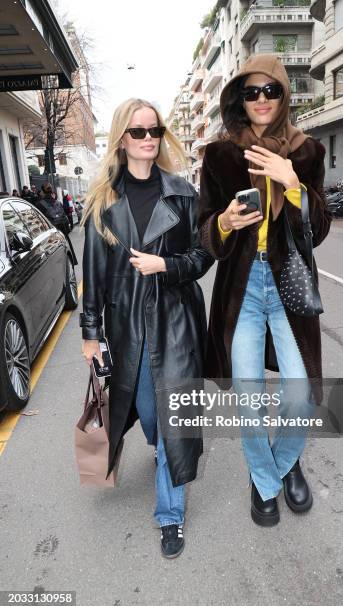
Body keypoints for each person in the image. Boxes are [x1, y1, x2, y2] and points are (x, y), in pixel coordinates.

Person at [197, 53, 332, 527]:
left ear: (283, 95)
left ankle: (285, 460)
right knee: (248, 395)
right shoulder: (217, 156)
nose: (260, 100)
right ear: (238, 97)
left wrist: (292, 184)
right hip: (242, 290)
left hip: (288, 286)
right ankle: (266, 478)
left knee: (300, 391)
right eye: (251, 92)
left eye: (270, 90)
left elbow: (319, 230)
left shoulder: (307, 151)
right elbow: (204, 235)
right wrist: (225, 222)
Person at [79, 98, 213, 558]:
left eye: (154, 130)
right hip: (127, 328)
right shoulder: (103, 202)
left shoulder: (182, 192)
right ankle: (164, 450)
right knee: (152, 419)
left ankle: (170, 515)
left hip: (174, 321)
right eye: (138, 132)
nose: (149, 139)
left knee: (172, 418)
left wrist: (166, 265)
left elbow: (201, 257)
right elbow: (93, 277)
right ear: (122, 139)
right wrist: (90, 335)